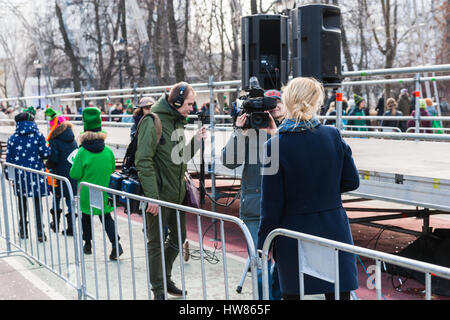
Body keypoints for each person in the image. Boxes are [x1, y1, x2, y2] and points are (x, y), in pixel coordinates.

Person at [257, 77, 360, 301]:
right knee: (339, 295)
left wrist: (263, 244)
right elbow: (352, 182)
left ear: (287, 101)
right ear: (317, 102)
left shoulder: (274, 145)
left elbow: (271, 205)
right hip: (333, 228)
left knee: (293, 294)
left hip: (293, 233)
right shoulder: (333, 135)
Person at [135, 81, 207, 300]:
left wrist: (196, 142)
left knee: (179, 237)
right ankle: (158, 290)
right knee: (155, 243)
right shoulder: (152, 121)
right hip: (157, 197)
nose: (192, 109)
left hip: (176, 196)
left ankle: (164, 278)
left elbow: (180, 158)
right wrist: (152, 198)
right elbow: (143, 161)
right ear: (176, 102)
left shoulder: (177, 122)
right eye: (189, 104)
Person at [221, 89, 284, 300]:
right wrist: (240, 131)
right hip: (255, 205)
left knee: (284, 264)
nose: (274, 109)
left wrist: (275, 134)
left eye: (278, 104)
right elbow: (229, 161)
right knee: (259, 265)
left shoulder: (289, 130)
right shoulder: (249, 131)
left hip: (285, 206)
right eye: (270, 105)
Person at [69, 107, 124, 260]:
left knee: (86, 216)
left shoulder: (82, 152)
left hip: (86, 191)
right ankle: (115, 244)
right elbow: (112, 168)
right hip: (104, 190)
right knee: (106, 217)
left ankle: (88, 244)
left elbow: (74, 174)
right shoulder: (108, 151)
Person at [5, 107, 50, 242]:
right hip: (36, 174)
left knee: (21, 202)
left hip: (20, 176)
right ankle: (40, 232)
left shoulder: (13, 138)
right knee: (37, 202)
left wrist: (9, 176)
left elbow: (9, 160)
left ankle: (23, 230)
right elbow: (45, 153)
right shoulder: (38, 136)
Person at [44, 107, 78, 236]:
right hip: (71, 174)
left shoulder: (54, 140)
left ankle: (56, 224)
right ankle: (71, 227)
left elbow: (54, 158)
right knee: (70, 198)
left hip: (58, 174)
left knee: (57, 197)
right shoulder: (72, 138)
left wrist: (47, 164)